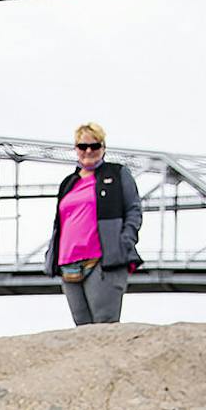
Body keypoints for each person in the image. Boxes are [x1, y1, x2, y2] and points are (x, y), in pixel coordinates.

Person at [45, 123, 142, 325]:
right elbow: (60, 222)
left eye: (94, 146)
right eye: (82, 146)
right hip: (68, 263)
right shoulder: (68, 183)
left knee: (104, 326)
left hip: (103, 261)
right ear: (76, 149)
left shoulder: (117, 174)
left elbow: (134, 210)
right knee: (82, 332)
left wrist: (124, 242)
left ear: (103, 147)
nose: (88, 151)